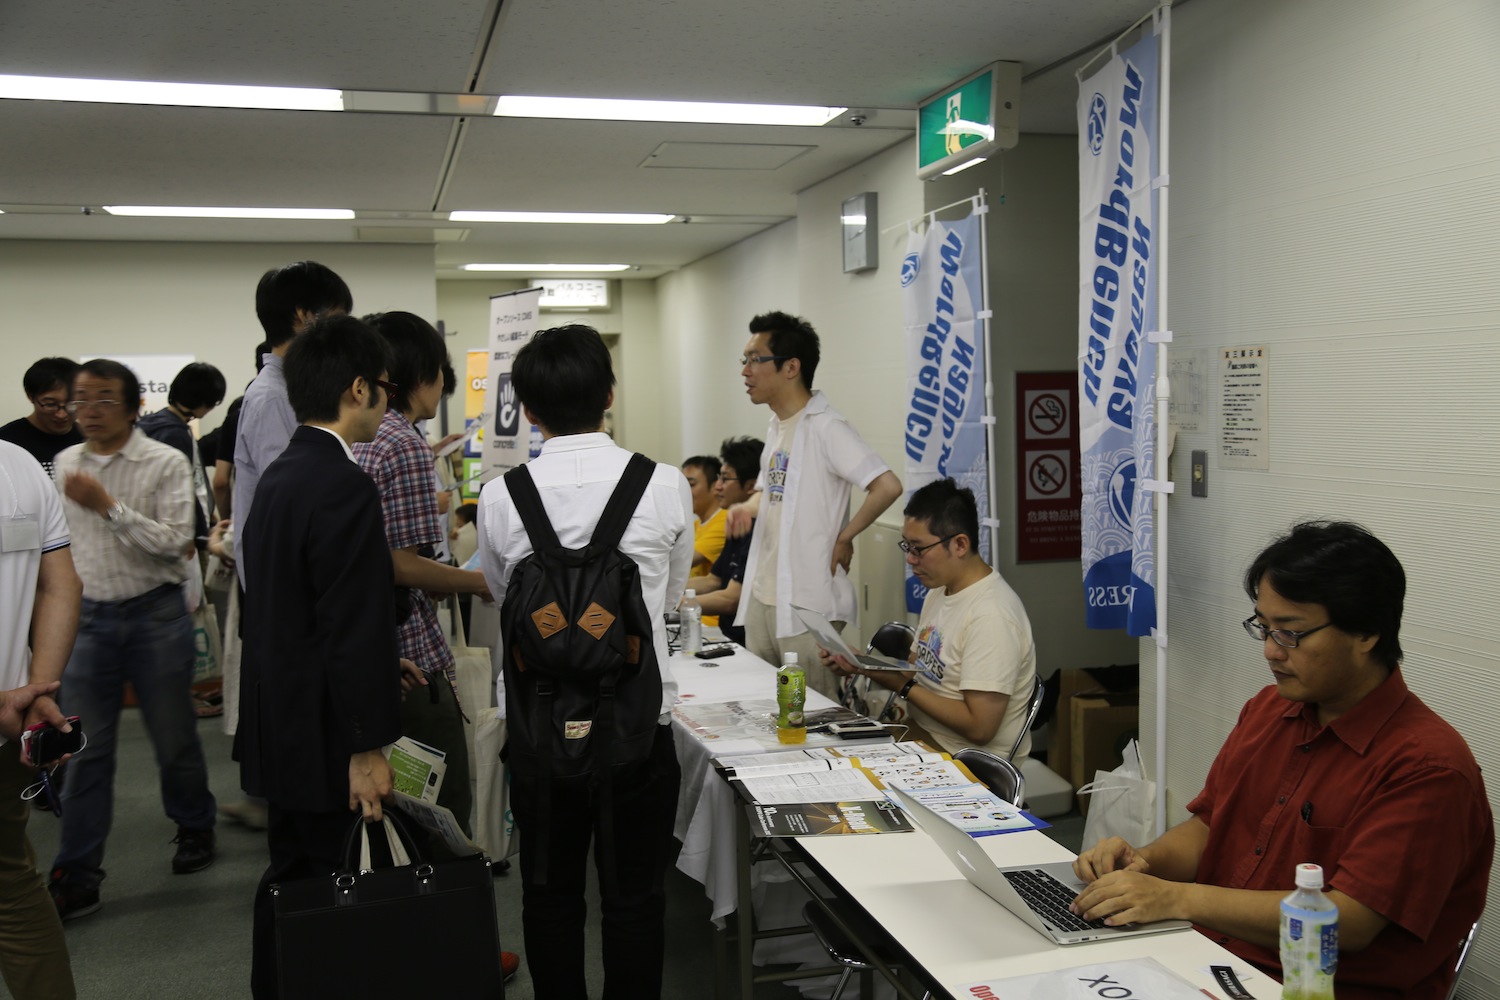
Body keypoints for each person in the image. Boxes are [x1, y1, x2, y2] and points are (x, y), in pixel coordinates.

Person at [1071, 521, 1494, 1000]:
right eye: (1264, 627)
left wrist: (1176, 898)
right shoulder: (1270, 710)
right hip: (1210, 960)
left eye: (1291, 633)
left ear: (1366, 633)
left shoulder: (1427, 767)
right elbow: (1211, 826)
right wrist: (1144, 865)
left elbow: (1349, 921)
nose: (1272, 651)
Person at [477, 324, 692, 1000]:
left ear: (530, 411)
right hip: (636, 732)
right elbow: (672, 600)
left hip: (541, 737)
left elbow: (501, 595)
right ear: (609, 394)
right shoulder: (662, 485)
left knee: (549, 899)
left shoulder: (499, 497)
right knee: (635, 900)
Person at [235, 315, 408, 999]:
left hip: (281, 718)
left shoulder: (281, 476)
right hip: (326, 732)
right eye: (384, 389)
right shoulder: (342, 483)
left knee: (294, 877)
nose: (387, 403)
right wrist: (367, 747)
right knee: (330, 885)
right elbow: (350, 622)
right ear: (359, 388)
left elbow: (292, 609)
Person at [47, 359, 217, 920]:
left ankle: (194, 824)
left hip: (155, 615)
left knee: (173, 740)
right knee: (84, 752)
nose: (88, 412)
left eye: (102, 400)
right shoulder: (67, 461)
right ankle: (78, 872)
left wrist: (108, 506)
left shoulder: (164, 461)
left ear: (134, 406)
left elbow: (176, 545)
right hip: (90, 619)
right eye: (80, 401)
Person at [353, 311, 491, 842]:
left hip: (365, 652)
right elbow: (398, 563)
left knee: (391, 814)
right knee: (436, 807)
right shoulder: (403, 440)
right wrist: (481, 583)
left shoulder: (361, 432)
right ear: (422, 373)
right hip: (410, 653)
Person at [727, 311, 902, 696]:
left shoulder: (827, 427)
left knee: (814, 713)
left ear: (791, 367)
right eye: (745, 360)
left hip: (808, 601)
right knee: (763, 706)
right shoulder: (775, 427)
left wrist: (846, 536)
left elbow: (887, 486)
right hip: (763, 594)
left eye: (755, 359)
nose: (745, 371)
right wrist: (746, 507)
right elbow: (772, 494)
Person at [822, 479, 1038, 760]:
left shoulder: (992, 615)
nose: (911, 560)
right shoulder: (939, 591)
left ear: (960, 544)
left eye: (918, 548)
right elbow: (919, 671)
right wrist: (861, 664)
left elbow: (980, 728)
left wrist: (898, 684)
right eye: (907, 546)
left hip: (967, 761)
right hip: (923, 736)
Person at [0, 438, 80, 997]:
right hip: (11, 725)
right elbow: (61, 584)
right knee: (12, 887)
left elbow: (60, 584)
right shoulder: (17, 464)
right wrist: (35, 690)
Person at [232, 261, 352, 583]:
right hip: (284, 583)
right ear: (303, 316)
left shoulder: (294, 389)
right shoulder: (273, 398)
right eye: (337, 320)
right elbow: (293, 502)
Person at [137, 361, 227, 549]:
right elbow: (182, 488)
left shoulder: (150, 424)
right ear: (205, 401)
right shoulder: (175, 434)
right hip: (183, 537)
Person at [684, 436, 762, 648]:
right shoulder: (735, 522)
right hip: (727, 634)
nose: (718, 486)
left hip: (746, 638)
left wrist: (672, 602)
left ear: (752, 486)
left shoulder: (758, 528)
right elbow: (713, 580)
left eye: (725, 479)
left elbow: (731, 600)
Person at [0, 358, 83, 480]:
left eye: (71, 404)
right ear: (30, 396)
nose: (61, 414)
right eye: (50, 404)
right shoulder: (6, 441)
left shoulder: (90, 439)